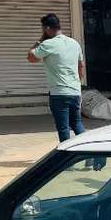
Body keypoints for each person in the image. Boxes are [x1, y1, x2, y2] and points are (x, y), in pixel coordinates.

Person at [28, 14, 85, 142]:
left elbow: (31, 58)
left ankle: (66, 158)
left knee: (63, 128)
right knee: (77, 124)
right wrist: (77, 84)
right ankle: (90, 152)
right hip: (75, 92)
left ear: (47, 28)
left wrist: (39, 41)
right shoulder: (74, 43)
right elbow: (81, 66)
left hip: (59, 94)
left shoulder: (48, 44)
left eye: (43, 29)